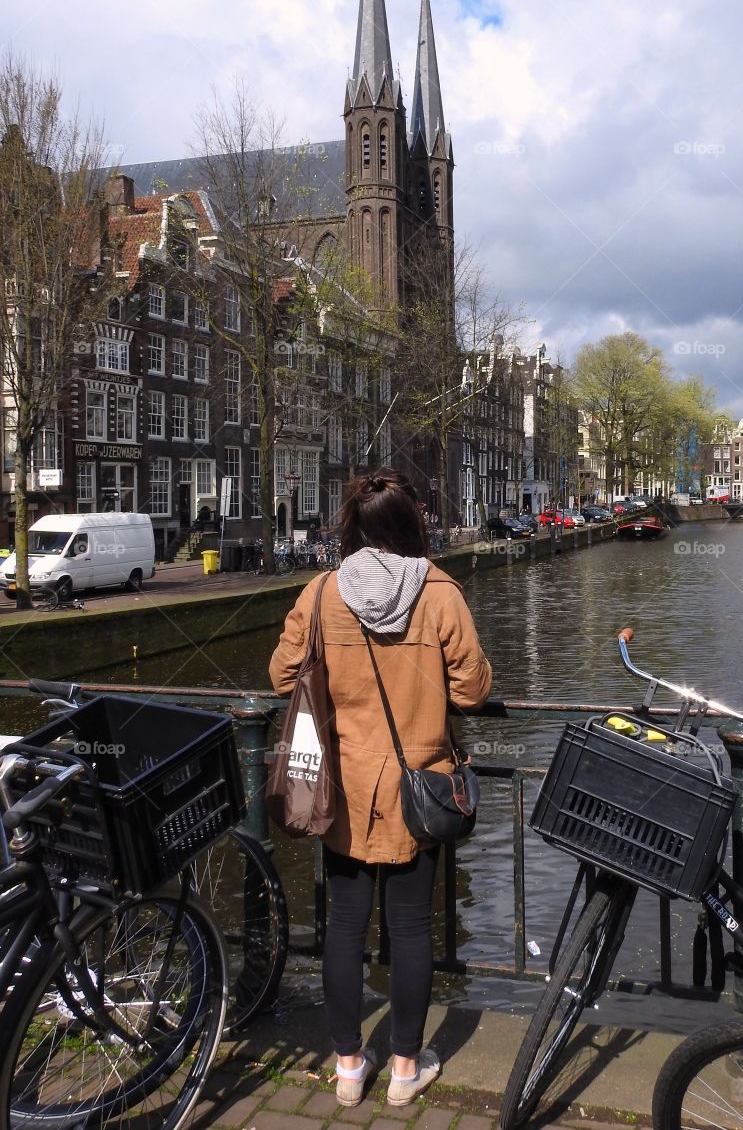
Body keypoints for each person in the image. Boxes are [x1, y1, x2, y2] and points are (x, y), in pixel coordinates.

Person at [269, 468, 492, 1108]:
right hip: (417, 793)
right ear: (410, 526)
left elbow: (282, 673)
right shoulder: (441, 593)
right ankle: (402, 1069)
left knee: (343, 928)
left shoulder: (321, 593)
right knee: (413, 931)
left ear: (353, 528)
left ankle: (345, 1069)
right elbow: (474, 691)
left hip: (342, 791)